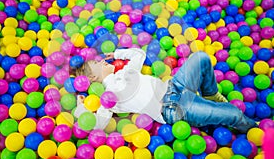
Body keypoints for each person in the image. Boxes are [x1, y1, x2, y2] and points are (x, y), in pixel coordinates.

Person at [72, 48, 257, 133]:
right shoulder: (107, 97)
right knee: (232, 113)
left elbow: (139, 55)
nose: (103, 61)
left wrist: (118, 54)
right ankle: (254, 129)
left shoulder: (126, 71)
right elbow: (98, 124)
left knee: (201, 57)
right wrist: (82, 108)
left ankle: (211, 94)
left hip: (175, 86)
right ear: (91, 78)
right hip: (173, 108)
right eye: (97, 63)